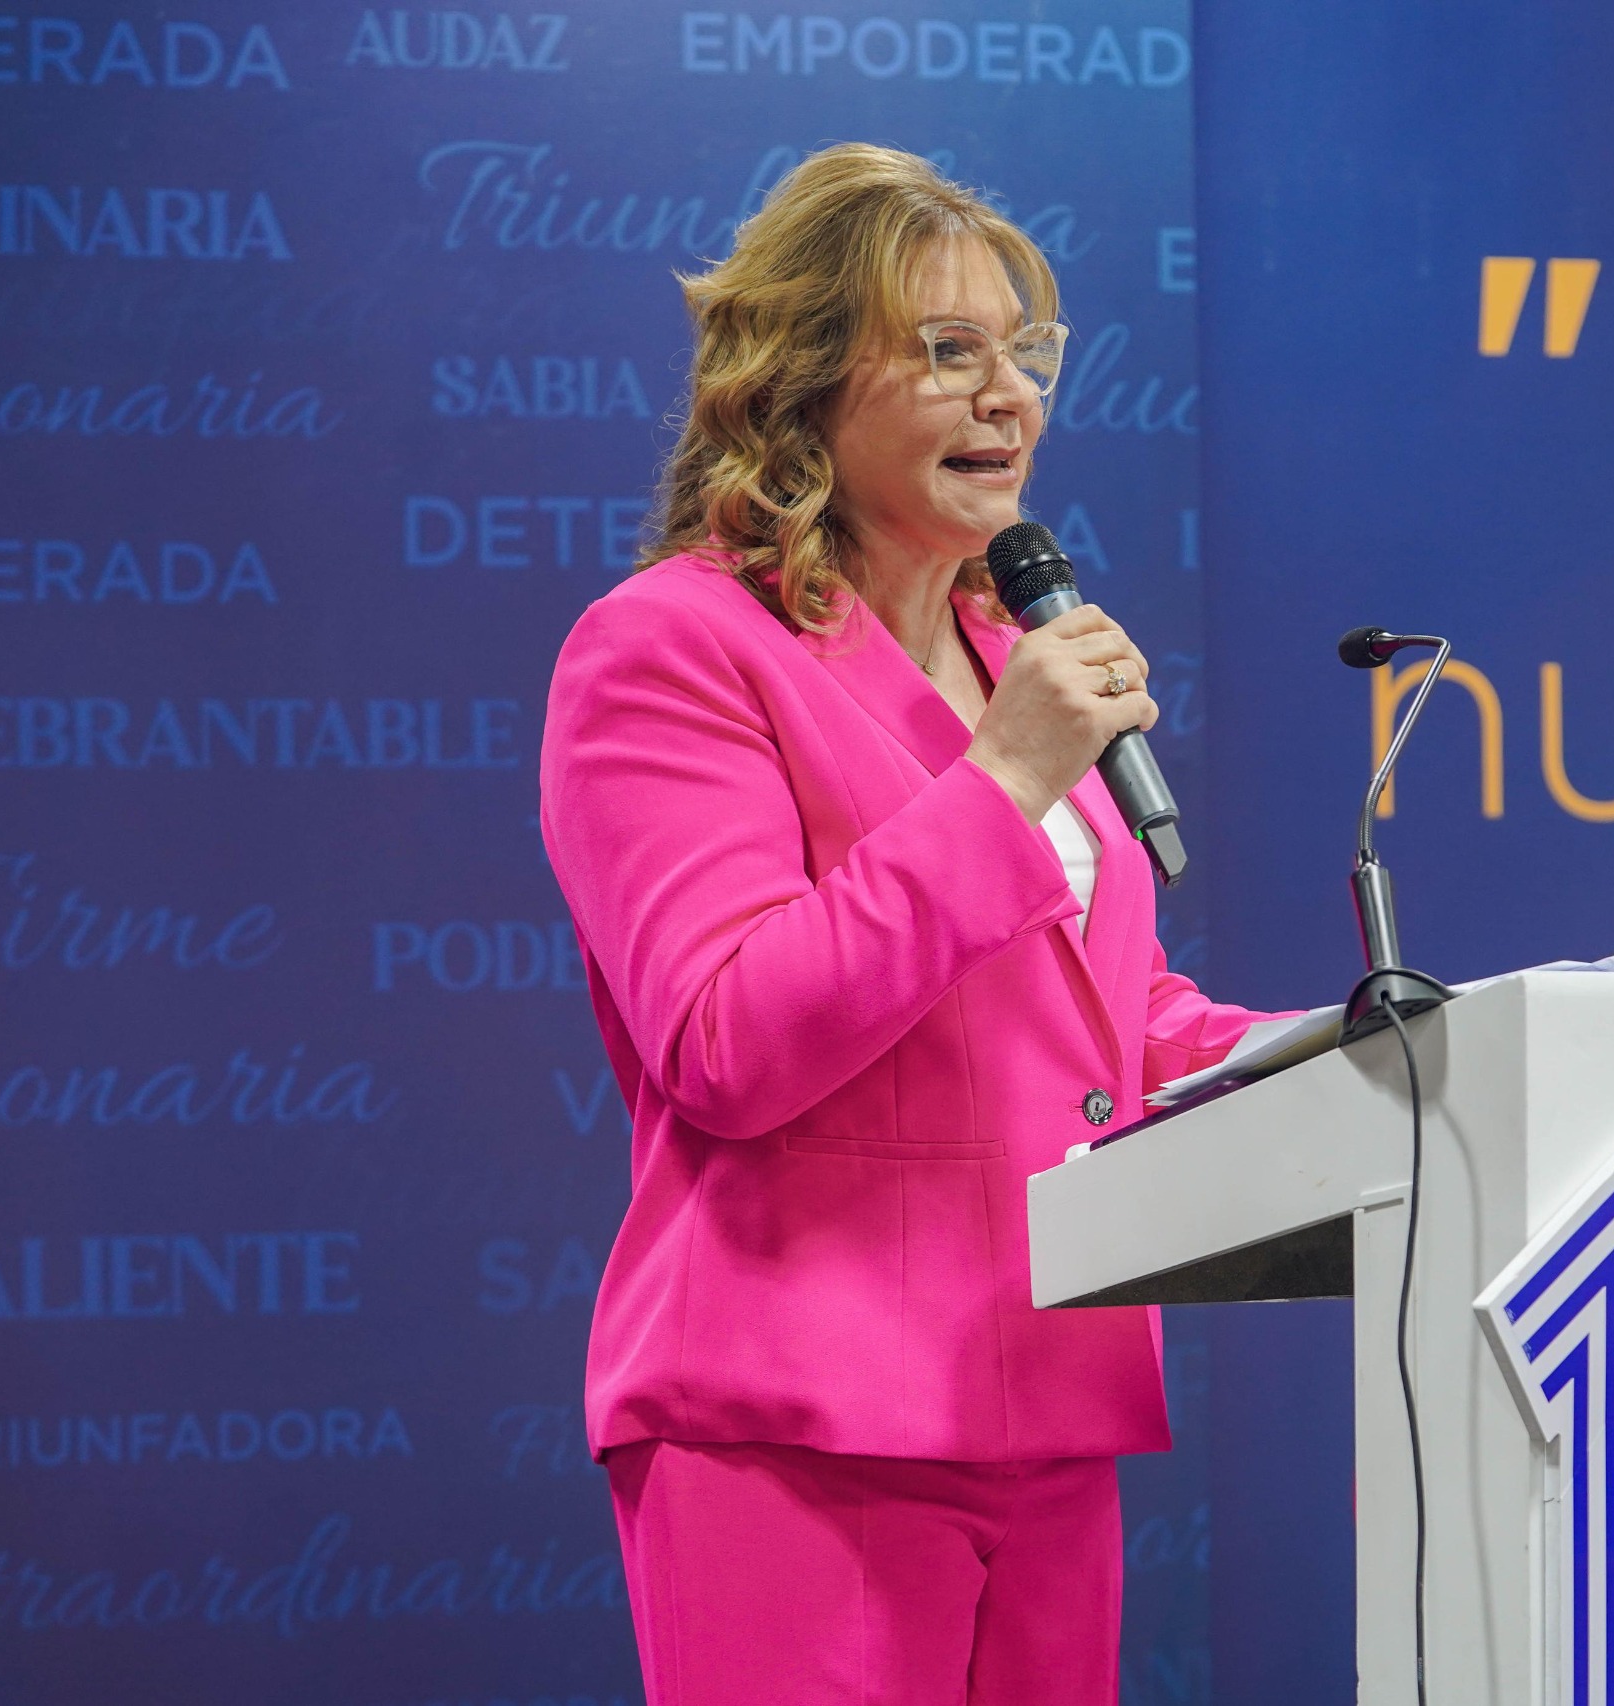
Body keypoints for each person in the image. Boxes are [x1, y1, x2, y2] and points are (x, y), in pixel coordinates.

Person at [538, 143, 1281, 1706]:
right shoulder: (673, 651)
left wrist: (1339, 1048)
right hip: (800, 1427)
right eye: (951, 354)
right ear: (802, 381)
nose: (1008, 395)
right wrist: (1004, 774)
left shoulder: (1016, 651)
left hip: (1050, 1411)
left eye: (1028, 354)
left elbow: (1101, 1023)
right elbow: (730, 1035)